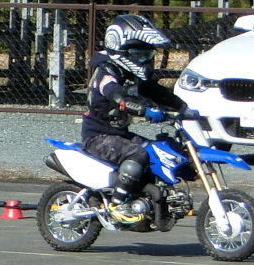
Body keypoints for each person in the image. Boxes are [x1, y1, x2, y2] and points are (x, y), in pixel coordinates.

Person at [79, 13, 184, 223]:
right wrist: (146, 111)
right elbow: (121, 100)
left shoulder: (131, 75)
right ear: (121, 49)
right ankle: (118, 204)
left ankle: (146, 199)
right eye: (139, 53)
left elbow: (158, 93)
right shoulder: (107, 74)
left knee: (157, 152)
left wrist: (185, 108)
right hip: (98, 137)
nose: (145, 60)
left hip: (118, 133)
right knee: (137, 154)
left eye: (148, 54)